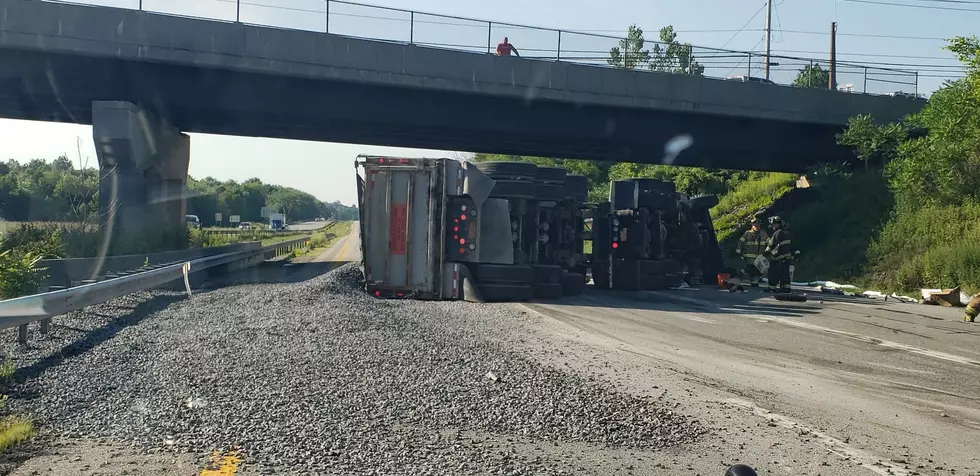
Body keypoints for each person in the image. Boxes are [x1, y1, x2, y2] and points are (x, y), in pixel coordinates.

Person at [735, 217, 769, 287]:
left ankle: (742, 273)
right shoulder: (747, 233)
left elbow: (770, 243)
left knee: (761, 269)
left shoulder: (763, 234)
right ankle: (754, 283)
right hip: (749, 256)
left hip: (760, 256)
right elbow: (741, 242)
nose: (757, 227)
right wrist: (738, 251)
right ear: (752, 226)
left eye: (758, 225)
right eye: (755, 225)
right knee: (752, 268)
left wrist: (768, 251)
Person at [764, 216, 792, 293]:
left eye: (773, 225)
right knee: (784, 273)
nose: (772, 227)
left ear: (777, 224)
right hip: (787, 257)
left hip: (779, 258)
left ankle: (771, 287)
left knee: (772, 272)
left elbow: (771, 245)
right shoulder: (786, 232)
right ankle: (786, 288)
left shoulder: (777, 233)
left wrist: (765, 254)